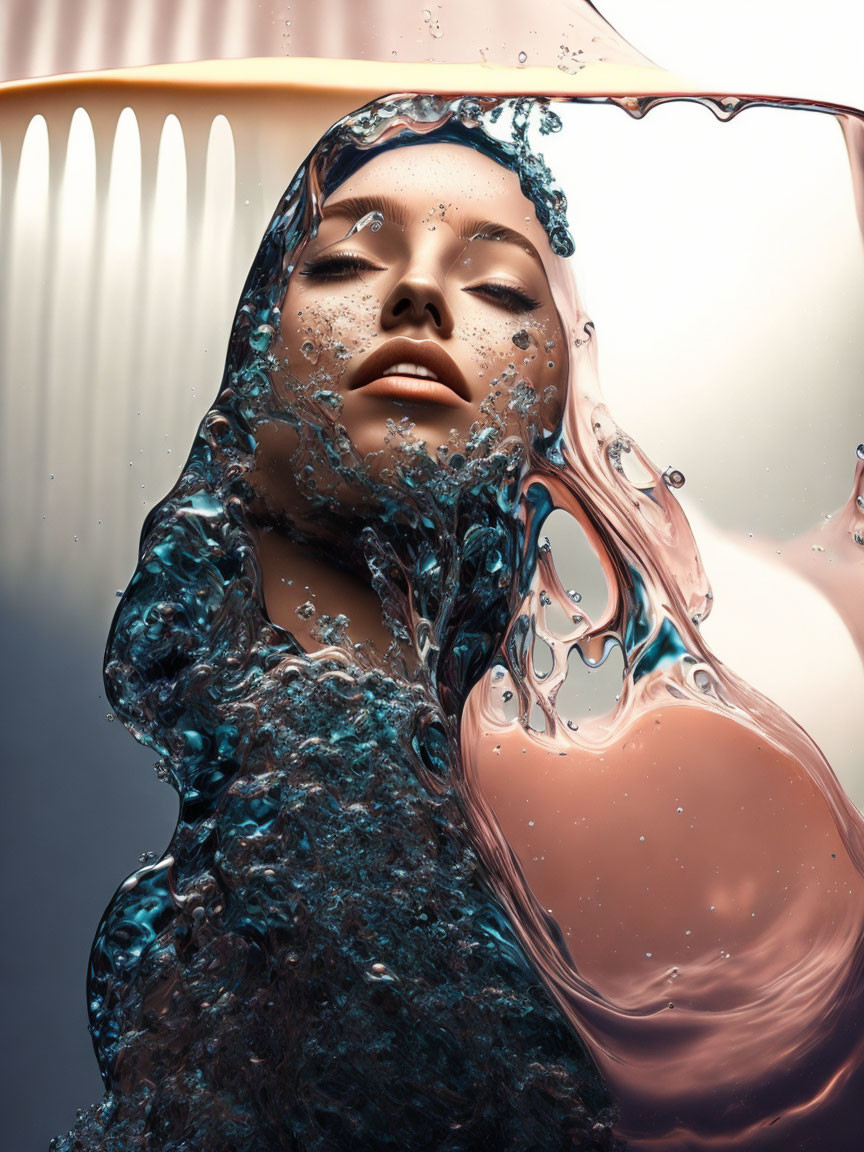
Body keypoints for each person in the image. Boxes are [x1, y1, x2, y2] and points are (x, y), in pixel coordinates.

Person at [55, 92, 864, 1152]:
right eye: (344, 263)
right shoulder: (206, 906)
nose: (422, 298)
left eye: (496, 286)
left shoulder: (662, 816)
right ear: (246, 390)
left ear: (554, 410)